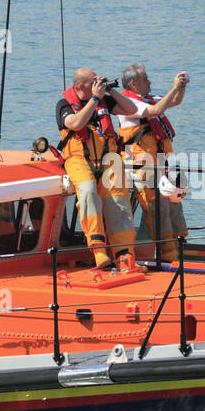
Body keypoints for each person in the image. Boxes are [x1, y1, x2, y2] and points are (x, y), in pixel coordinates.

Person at [57, 68, 140, 271]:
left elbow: (131, 110)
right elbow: (76, 123)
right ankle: (98, 249)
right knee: (87, 191)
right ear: (80, 86)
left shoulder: (104, 100)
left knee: (118, 198)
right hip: (79, 159)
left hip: (108, 159)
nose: (97, 83)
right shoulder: (64, 104)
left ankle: (124, 254)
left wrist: (111, 92)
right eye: (93, 81)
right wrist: (94, 99)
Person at [115, 63, 190, 262]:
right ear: (133, 84)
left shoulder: (146, 98)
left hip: (161, 164)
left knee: (174, 205)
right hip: (142, 166)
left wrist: (181, 87)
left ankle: (180, 252)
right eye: (146, 79)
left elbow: (173, 101)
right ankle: (167, 259)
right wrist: (173, 87)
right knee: (158, 210)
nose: (150, 82)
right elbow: (156, 110)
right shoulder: (127, 105)